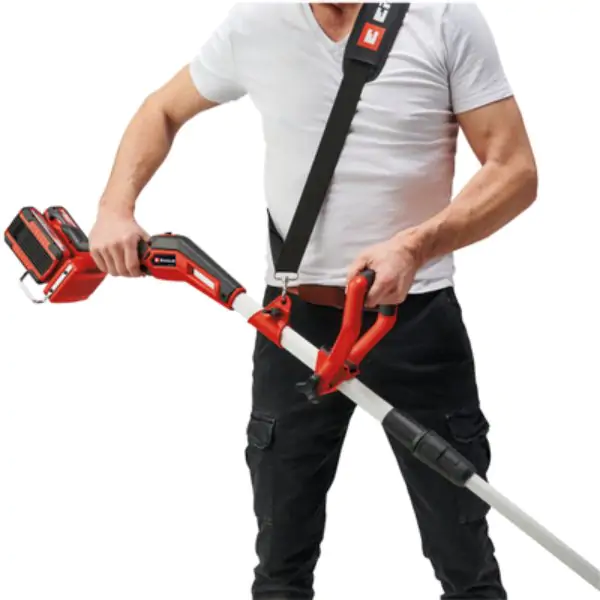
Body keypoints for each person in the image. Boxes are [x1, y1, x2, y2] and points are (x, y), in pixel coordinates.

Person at [89, 3, 537, 598]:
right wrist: (115, 208)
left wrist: (415, 246)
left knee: (463, 552)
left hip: (414, 320)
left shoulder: (444, 18)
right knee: (281, 555)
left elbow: (515, 170)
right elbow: (162, 109)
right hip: (291, 323)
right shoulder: (256, 24)